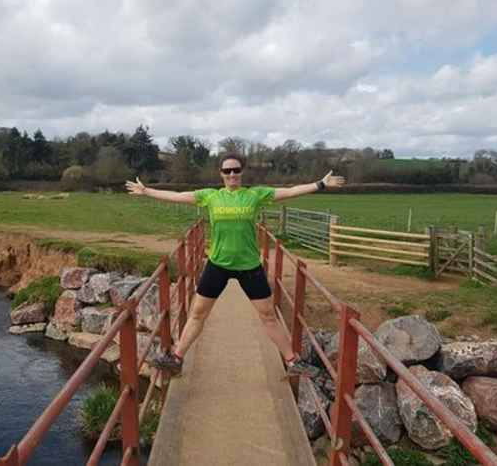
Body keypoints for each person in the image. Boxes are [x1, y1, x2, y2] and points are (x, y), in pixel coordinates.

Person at [125, 153, 345, 376]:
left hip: (249, 266)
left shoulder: (254, 195)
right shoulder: (210, 196)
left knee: (268, 316)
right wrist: (147, 191)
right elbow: (178, 196)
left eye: (236, 170)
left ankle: (292, 362)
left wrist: (321, 184)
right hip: (217, 264)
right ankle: (177, 358)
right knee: (197, 313)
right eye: (227, 171)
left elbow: (289, 191)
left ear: (242, 172)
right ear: (221, 174)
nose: (232, 174)